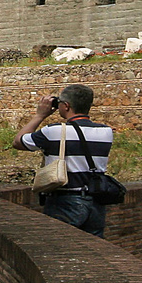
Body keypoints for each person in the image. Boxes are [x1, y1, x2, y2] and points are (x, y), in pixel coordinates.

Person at [13, 83, 116, 238]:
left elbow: (18, 142)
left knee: (58, 245)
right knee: (93, 249)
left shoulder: (53, 131)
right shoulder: (106, 132)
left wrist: (39, 116)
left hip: (64, 201)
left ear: (66, 106)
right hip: (96, 201)